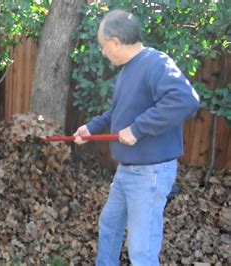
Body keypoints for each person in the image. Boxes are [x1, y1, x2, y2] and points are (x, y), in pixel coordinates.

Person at [73, 10, 200, 266]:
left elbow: (186, 100)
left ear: (116, 41)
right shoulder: (127, 71)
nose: (103, 52)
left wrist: (138, 128)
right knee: (109, 225)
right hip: (127, 170)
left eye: (102, 46)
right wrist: (92, 128)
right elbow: (118, 113)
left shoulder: (155, 63)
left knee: (141, 250)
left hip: (150, 173)